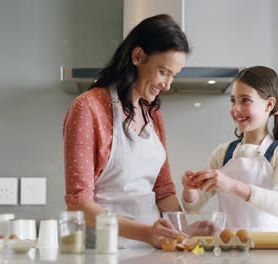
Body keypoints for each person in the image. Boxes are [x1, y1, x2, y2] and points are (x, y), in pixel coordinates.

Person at [63, 14, 190, 248]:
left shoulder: (153, 115)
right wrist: (145, 233)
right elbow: (79, 202)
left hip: (154, 249)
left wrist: (186, 231)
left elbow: (163, 191)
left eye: (174, 75)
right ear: (138, 56)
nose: (168, 85)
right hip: (105, 250)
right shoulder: (88, 108)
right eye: (163, 72)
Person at [181, 66, 278, 232]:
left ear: (269, 104)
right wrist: (190, 189)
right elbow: (194, 206)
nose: (236, 109)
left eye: (245, 100)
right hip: (229, 247)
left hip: (269, 249)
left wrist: (233, 186)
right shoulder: (222, 153)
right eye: (233, 100)